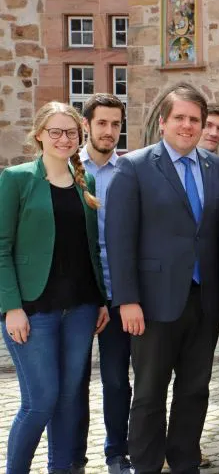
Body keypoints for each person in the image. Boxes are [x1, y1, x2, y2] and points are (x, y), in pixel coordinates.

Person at [105, 83, 219, 474]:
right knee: (148, 394)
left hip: (205, 301)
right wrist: (127, 300)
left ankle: (184, 462)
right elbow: (119, 237)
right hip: (153, 303)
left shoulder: (217, 168)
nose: (188, 126)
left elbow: (218, 235)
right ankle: (144, 465)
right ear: (163, 122)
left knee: (194, 391)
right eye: (180, 118)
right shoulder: (135, 166)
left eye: (196, 119)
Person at [0, 101, 110, 474]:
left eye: (71, 133)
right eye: (56, 132)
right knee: (41, 401)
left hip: (79, 309)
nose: (64, 139)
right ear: (40, 136)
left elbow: (90, 249)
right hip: (33, 310)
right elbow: (1, 246)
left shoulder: (86, 182)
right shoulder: (16, 179)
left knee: (68, 401)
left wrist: (100, 301)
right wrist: (10, 307)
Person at [72, 94, 133, 474]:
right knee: (74, 383)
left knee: (116, 380)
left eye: (115, 124)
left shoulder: (129, 172)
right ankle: (74, 456)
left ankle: (116, 452)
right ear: (87, 126)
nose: (109, 131)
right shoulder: (65, 169)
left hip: (117, 294)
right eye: (102, 124)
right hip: (77, 296)